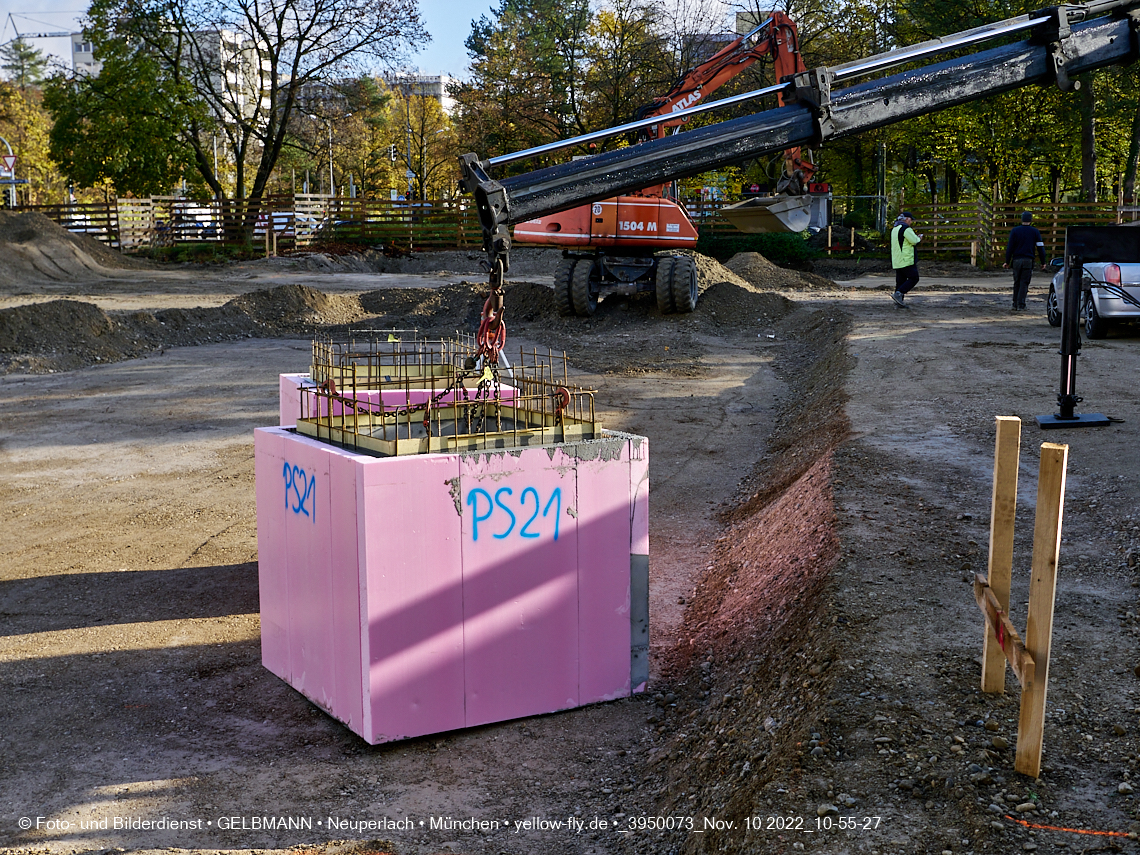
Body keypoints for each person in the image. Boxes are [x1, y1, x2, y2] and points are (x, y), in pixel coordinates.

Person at [1002, 211, 1047, 311]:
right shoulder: (1035, 232)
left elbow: (1010, 247)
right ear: (1030, 220)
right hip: (1028, 260)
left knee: (1016, 282)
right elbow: (1040, 248)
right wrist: (1043, 262)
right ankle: (1021, 304)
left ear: (1021, 219)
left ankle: (1014, 303)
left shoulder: (1015, 231)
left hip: (1017, 260)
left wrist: (1007, 261)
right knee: (1024, 282)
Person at [890, 212, 922, 307]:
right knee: (914, 277)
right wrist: (919, 238)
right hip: (906, 259)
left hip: (897, 260)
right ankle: (899, 294)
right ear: (907, 219)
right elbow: (914, 241)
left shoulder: (895, 229)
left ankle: (898, 302)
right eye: (911, 220)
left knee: (900, 281)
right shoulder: (906, 229)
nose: (911, 222)